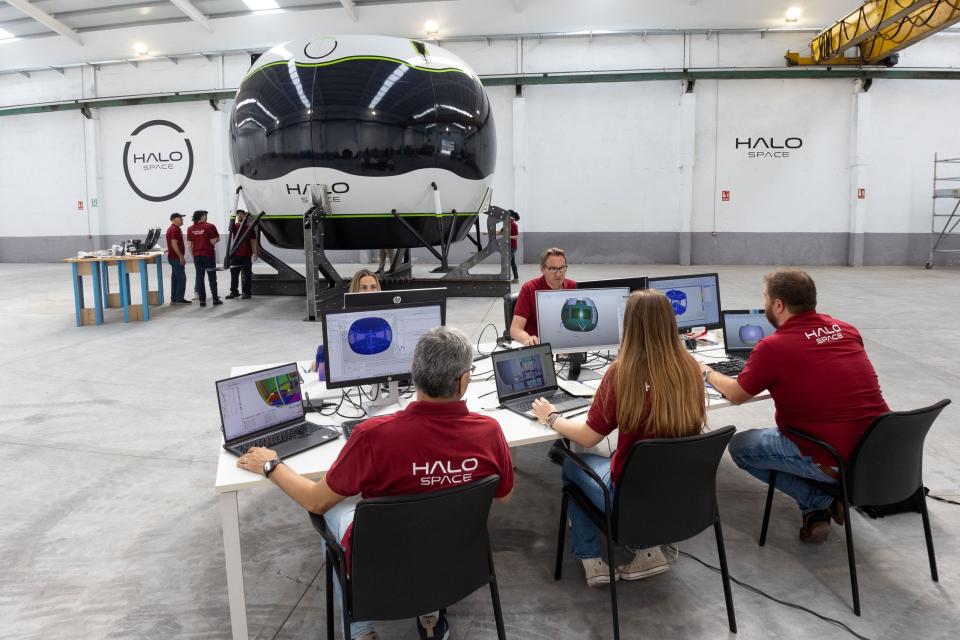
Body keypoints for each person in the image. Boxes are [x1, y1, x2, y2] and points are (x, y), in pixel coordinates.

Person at [238, 326, 514, 640]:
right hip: (454, 557)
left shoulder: (373, 435)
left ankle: (362, 630)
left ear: (414, 372)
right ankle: (430, 615)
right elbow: (503, 495)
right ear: (464, 381)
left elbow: (315, 501)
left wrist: (271, 465)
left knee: (333, 507)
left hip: (387, 558)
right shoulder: (490, 431)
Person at [700, 269, 889, 543]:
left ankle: (817, 499)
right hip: (877, 451)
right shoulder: (846, 329)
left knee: (740, 447)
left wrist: (705, 371)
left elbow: (737, 394)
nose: (764, 304)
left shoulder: (774, 347)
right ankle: (824, 504)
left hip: (833, 458)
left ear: (778, 304)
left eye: (765, 298)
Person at [532, 289, 706, 587]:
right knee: (626, 459)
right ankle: (648, 551)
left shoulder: (622, 373)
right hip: (680, 492)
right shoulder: (691, 368)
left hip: (627, 497)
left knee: (573, 463)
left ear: (630, 325)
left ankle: (591, 558)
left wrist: (551, 417)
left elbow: (588, 437)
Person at [510, 247, 576, 346]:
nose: (559, 274)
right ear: (542, 269)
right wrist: (528, 339)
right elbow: (515, 330)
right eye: (553, 269)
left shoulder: (573, 287)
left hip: (566, 344)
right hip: (539, 346)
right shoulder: (529, 289)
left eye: (562, 268)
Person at [187, 210, 221, 307]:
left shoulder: (190, 229)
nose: (206, 217)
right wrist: (217, 239)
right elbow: (213, 241)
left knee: (200, 278)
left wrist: (194, 256)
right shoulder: (210, 226)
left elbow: (190, 245)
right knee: (212, 277)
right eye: (205, 215)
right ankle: (215, 299)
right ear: (202, 216)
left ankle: (202, 301)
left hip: (197, 256)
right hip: (208, 255)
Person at [226, 209, 258, 300]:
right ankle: (234, 292)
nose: (239, 216)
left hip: (246, 255)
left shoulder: (249, 228)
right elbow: (230, 227)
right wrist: (231, 215)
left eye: (241, 214)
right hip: (235, 254)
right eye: (238, 214)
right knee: (234, 274)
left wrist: (255, 252)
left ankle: (247, 292)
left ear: (245, 216)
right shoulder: (235, 226)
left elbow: (253, 241)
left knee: (247, 275)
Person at [165, 212, 190, 304]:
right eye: (181, 218)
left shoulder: (174, 229)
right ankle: (179, 298)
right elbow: (174, 244)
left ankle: (174, 297)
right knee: (181, 278)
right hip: (175, 258)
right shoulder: (173, 230)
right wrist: (181, 257)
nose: (182, 220)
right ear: (175, 219)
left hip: (174, 257)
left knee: (175, 278)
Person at [508, 210, 520, 283]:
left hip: (512, 247)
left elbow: (516, 237)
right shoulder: (507, 224)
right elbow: (501, 232)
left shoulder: (514, 225)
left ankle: (506, 279)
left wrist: (508, 236)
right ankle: (516, 279)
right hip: (508, 247)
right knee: (512, 263)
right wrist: (489, 233)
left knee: (507, 263)